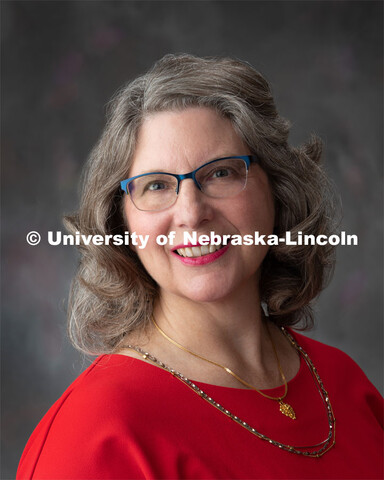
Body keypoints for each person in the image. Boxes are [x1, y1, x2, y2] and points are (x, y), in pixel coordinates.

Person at [17, 54, 383, 480]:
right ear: (122, 222)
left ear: (279, 189)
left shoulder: (342, 382)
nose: (191, 213)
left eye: (221, 173)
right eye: (156, 185)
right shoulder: (93, 435)